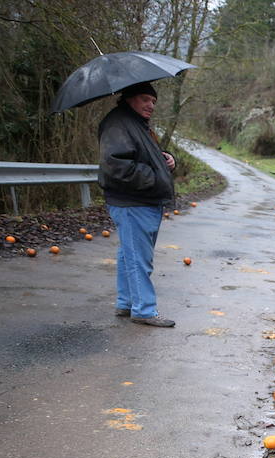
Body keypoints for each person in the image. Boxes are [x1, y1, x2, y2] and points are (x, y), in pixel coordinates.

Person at [98, 81, 177, 327]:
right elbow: (117, 166)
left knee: (128, 254)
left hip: (142, 200)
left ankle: (126, 303)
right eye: (145, 99)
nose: (150, 105)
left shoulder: (135, 124)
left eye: (153, 101)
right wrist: (156, 176)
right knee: (139, 257)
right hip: (132, 201)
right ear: (129, 98)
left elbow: (143, 155)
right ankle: (144, 309)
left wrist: (167, 160)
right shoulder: (118, 123)